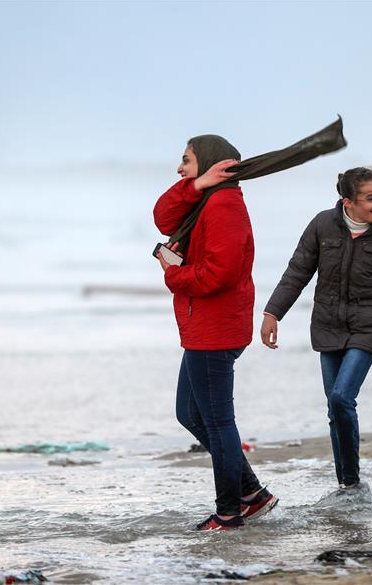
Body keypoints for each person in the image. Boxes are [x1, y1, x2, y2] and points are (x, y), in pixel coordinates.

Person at [260, 166, 372, 490]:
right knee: (334, 406)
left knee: (342, 398)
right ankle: (347, 484)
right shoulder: (322, 226)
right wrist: (273, 312)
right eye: (370, 198)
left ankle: (352, 481)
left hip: (370, 329)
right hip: (328, 327)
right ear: (347, 201)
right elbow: (297, 272)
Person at [153, 135, 277, 531]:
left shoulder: (225, 206)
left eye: (186, 161)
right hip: (204, 327)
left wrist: (172, 273)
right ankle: (252, 494)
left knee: (219, 423)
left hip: (216, 329)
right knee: (189, 413)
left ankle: (229, 513)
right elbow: (162, 217)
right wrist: (198, 183)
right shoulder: (209, 197)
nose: (179, 168)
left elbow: (217, 275)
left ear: (206, 160)